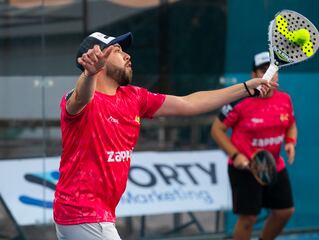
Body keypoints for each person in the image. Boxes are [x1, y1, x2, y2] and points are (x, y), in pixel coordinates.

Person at [53, 32, 276, 240]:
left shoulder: (134, 97)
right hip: (81, 213)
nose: (128, 55)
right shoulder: (78, 99)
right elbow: (80, 98)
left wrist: (245, 88)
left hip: (94, 215)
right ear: (96, 58)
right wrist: (88, 74)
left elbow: (188, 103)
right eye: (118, 50)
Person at [211, 51, 297, 240]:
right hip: (245, 169)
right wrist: (236, 155)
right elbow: (216, 130)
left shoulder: (285, 100)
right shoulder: (239, 102)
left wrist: (290, 142)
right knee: (248, 218)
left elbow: (291, 124)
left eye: (273, 70)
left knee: (284, 212)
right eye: (263, 70)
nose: (269, 75)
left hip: (274, 165)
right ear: (253, 76)